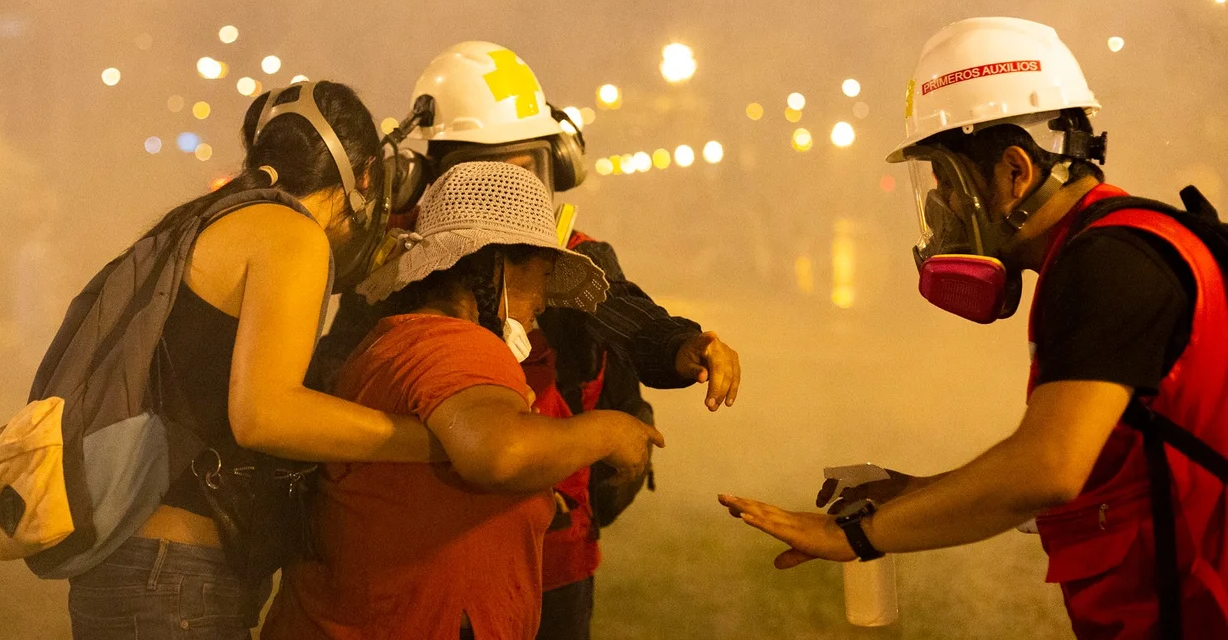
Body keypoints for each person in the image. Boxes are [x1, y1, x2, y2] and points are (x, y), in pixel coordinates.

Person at [720, 17, 1228, 639]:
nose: (942, 209)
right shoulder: (1123, 245)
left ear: (1016, 171)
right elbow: (1096, 464)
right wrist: (914, 494)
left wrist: (851, 536)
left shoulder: (1105, 264)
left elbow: (1045, 470)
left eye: (947, 181)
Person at [309, 41, 742, 640]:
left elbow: (619, 309)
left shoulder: (561, 254)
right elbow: (334, 390)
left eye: (522, 171)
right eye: (482, 173)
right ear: (425, 177)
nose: (508, 195)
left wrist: (679, 346)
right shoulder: (397, 271)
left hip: (550, 555)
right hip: (429, 556)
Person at [66, 81, 442, 640]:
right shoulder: (291, 233)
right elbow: (265, 413)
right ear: (365, 175)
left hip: (134, 566)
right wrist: (433, 442)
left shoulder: (214, 218)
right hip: (174, 574)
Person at [262, 161, 665, 640]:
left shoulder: (408, 337)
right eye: (544, 268)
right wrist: (610, 430)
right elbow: (499, 454)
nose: (545, 299)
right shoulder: (456, 344)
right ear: (496, 262)